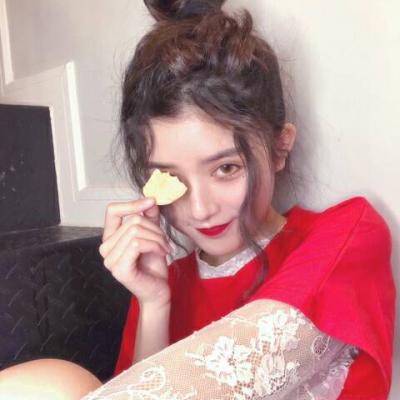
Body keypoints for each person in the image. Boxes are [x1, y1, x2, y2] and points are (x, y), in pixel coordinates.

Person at [0, 0, 396, 399]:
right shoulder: (164, 283)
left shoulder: (346, 235)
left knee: (59, 384)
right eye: (170, 177)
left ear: (280, 148)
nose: (199, 209)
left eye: (226, 168)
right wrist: (154, 304)